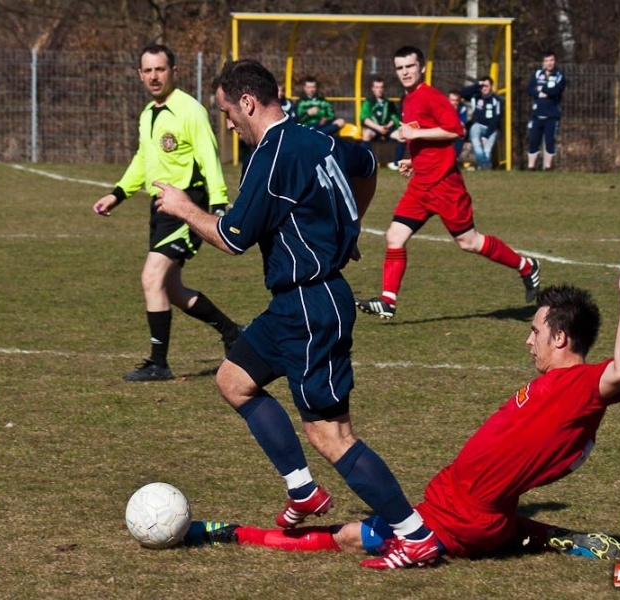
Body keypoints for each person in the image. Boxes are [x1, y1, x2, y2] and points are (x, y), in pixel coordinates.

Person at [185, 248, 620, 567]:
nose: (529, 340)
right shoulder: (564, 388)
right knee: (499, 526)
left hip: (457, 518)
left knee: (348, 536)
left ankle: (227, 533)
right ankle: (550, 535)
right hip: (474, 510)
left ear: (561, 338)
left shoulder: (579, 386)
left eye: (535, 330)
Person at [152, 59, 440, 570]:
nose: (229, 125)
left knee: (332, 436)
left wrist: (182, 208)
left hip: (313, 306)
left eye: (227, 112)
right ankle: (302, 490)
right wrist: (348, 228)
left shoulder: (272, 156)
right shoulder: (317, 139)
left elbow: (234, 238)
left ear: (247, 102)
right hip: (292, 305)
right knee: (234, 380)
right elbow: (368, 166)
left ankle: (414, 533)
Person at [356, 46, 541, 321]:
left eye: (410, 66)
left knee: (469, 242)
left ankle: (526, 265)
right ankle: (388, 300)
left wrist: (411, 134)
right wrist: (413, 161)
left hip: (445, 185)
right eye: (400, 68)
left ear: (421, 67)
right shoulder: (407, 100)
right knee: (395, 236)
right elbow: (425, 139)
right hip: (421, 185)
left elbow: (456, 130)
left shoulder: (431, 96)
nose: (405, 72)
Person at [92, 43, 242, 382]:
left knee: (151, 277)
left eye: (160, 69)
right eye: (148, 70)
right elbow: (143, 160)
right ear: (140, 75)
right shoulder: (148, 114)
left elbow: (208, 155)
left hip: (188, 205)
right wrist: (118, 194)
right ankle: (234, 332)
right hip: (160, 208)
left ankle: (159, 363)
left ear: (173, 71)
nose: (154, 76)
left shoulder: (189, 110)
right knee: (171, 289)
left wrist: (218, 203)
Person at [527, 51, 566, 171]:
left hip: (552, 115)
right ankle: (531, 167)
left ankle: (548, 167)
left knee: (550, 140)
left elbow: (557, 90)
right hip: (537, 114)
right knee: (533, 140)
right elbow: (529, 88)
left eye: (551, 60)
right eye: (547, 61)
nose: (549, 63)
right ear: (543, 63)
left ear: (555, 61)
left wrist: (543, 89)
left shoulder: (560, 75)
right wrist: (539, 92)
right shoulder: (538, 74)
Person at [459, 76, 503, 170]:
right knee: (476, 144)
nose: (484, 88)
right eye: (482, 86)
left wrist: (486, 136)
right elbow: (462, 93)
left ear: (491, 87)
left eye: (486, 86)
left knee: (487, 150)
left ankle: (482, 168)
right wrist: (477, 85)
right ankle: (486, 166)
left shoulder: (496, 100)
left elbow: (496, 120)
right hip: (478, 126)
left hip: (492, 129)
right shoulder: (476, 96)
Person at [359, 76, 403, 165]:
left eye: (381, 87)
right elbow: (365, 118)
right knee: (366, 134)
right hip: (374, 129)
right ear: (373, 89)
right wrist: (378, 128)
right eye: (377, 87)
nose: (379, 89)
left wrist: (387, 126)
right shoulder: (368, 102)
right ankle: (371, 162)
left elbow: (394, 117)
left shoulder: (388, 102)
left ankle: (396, 164)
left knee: (402, 136)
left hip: (387, 129)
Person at [446, 90, 469, 160]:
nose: (454, 103)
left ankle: (455, 157)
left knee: (462, 132)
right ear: (448, 99)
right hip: (444, 128)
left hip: (455, 128)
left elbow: (462, 123)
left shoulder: (462, 107)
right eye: (452, 100)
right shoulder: (443, 106)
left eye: (456, 100)